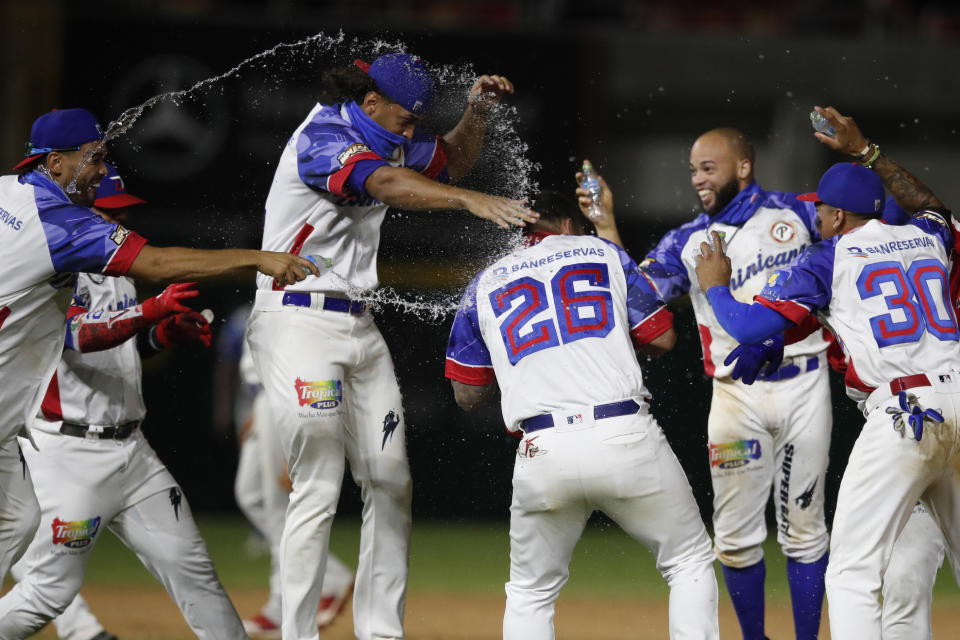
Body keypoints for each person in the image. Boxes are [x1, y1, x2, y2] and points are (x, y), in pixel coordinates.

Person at [245, 52, 538, 640]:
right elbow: (382, 183)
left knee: (389, 478)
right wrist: (468, 201)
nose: (410, 132)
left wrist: (475, 113)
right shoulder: (325, 132)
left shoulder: (386, 131)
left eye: (413, 124)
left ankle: (381, 632)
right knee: (320, 484)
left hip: (356, 323)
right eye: (405, 121)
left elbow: (451, 158)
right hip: (297, 320)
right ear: (371, 101)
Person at [0, 108, 318, 579]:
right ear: (55, 164)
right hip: (46, 428)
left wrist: (154, 332)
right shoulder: (61, 224)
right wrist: (258, 258)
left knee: (18, 516)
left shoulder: (8, 190)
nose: (103, 171)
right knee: (32, 548)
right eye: (94, 159)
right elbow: (159, 264)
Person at [694, 158, 960, 638]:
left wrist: (716, 287)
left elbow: (746, 325)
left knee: (852, 574)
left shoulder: (830, 254)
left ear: (838, 217)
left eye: (822, 210)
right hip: (957, 395)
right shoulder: (929, 235)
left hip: (904, 412)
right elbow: (934, 210)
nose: (816, 218)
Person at [444, 187, 718, 639]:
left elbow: (466, 396)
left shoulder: (486, 281)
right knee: (687, 561)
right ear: (569, 225)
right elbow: (662, 338)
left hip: (542, 447)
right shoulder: (599, 251)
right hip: (623, 433)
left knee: (530, 593)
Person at [0, 165, 250, 638]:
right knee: (49, 592)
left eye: (121, 212)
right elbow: (75, 337)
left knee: (194, 571)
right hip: (67, 453)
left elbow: (117, 351)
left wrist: (158, 335)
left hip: (133, 452)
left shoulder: (118, 270)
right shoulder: (57, 267)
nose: (116, 221)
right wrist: (149, 311)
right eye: (105, 209)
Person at [639, 128, 831, 639]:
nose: (697, 178)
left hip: (804, 385)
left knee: (805, 532)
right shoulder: (684, 241)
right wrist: (607, 223)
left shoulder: (800, 212)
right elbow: (636, 296)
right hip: (734, 396)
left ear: (744, 167)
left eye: (708, 167)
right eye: (693, 169)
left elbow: (860, 225)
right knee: (736, 537)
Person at [214, 309, 354, 636]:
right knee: (250, 496)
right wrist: (255, 407)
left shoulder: (305, 303)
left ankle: (281, 605)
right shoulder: (266, 296)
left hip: (288, 397)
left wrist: (301, 441)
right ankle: (331, 576)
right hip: (264, 398)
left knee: (279, 509)